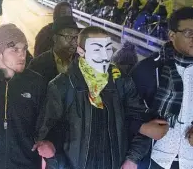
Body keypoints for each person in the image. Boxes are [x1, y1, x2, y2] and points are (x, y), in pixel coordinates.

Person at [36, 26, 149, 169]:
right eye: (97, 49)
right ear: (81, 51)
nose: (105, 56)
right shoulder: (62, 86)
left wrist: (132, 159)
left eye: (108, 48)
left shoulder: (121, 82)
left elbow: (140, 119)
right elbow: (48, 136)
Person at [131, 7, 193, 169]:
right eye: (189, 33)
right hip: (152, 159)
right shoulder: (149, 70)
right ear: (172, 35)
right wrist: (143, 128)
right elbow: (122, 110)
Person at [0, 24, 47, 169]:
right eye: (14, 50)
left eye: (24, 49)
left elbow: (46, 126)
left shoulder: (36, 83)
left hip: (27, 164)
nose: (22, 54)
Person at [29, 9, 79, 82]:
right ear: (55, 38)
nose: (74, 42)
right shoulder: (37, 65)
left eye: (76, 37)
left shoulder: (83, 64)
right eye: (68, 37)